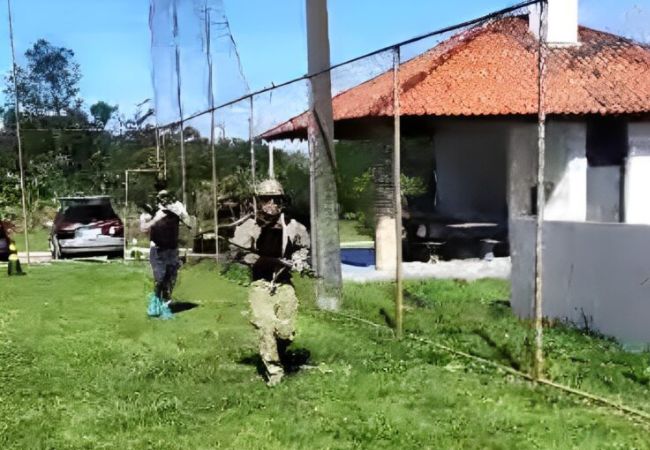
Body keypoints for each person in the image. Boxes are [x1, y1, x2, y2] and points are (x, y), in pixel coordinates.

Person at [230, 179, 310, 386]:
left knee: (285, 331)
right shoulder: (249, 227)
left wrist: (299, 260)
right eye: (266, 199)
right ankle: (274, 371)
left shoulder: (293, 226)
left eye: (276, 199)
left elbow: (303, 247)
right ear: (258, 201)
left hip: (284, 283)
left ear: (282, 201)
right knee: (265, 326)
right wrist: (260, 259)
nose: (271, 204)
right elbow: (237, 253)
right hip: (260, 285)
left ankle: (278, 351)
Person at [140, 190, 191, 317]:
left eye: (166, 197)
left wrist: (179, 212)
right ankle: (155, 305)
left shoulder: (177, 208)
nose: (164, 200)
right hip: (157, 250)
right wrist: (154, 219)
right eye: (161, 197)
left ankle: (165, 305)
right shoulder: (152, 211)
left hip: (172, 249)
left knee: (171, 278)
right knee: (160, 278)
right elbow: (144, 228)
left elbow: (189, 223)